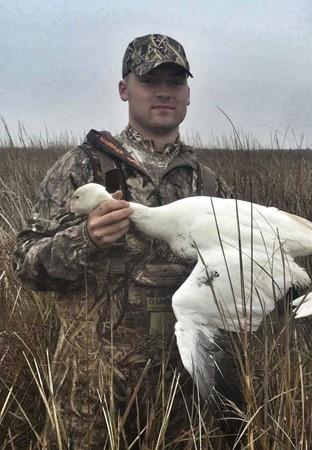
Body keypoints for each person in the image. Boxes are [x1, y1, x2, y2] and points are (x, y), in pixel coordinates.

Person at [12, 34, 232, 448]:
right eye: (150, 81)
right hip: (91, 396)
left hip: (181, 399)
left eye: (175, 81)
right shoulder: (83, 167)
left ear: (188, 95)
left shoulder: (208, 184)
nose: (164, 91)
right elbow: (25, 264)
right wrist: (85, 238)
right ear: (124, 89)